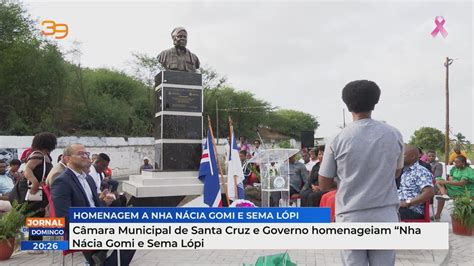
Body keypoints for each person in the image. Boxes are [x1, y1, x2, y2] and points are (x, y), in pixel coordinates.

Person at [318, 80, 404, 265]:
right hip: (385, 215)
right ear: (375, 101)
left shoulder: (337, 139)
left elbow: (324, 184)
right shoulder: (394, 134)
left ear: (347, 104)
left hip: (351, 217)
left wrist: (346, 181)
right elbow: (396, 173)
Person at [51, 144, 135, 265]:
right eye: (81, 154)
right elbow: (64, 216)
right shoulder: (62, 181)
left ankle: (99, 256)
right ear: (68, 158)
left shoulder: (88, 179)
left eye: (87, 154)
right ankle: (100, 257)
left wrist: (104, 206)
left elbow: (95, 205)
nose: (86, 156)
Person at [23, 132, 57, 252]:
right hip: (36, 192)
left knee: (38, 216)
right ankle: (33, 246)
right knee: (35, 216)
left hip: (41, 192)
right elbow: (27, 170)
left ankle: (36, 244)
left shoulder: (45, 156)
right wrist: (35, 183)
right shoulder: (37, 155)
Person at [398, 146, 435, 220]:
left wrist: (407, 202)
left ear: (412, 157)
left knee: (381, 215)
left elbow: (429, 192)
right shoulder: (406, 171)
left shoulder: (420, 171)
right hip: (401, 207)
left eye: (403, 155)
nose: (400, 157)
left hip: (412, 210)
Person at [434, 155, 474, 221]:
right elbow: (450, 177)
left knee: (440, 191)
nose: (455, 164)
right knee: (438, 179)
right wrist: (449, 181)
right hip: (454, 187)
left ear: (463, 163)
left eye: (457, 162)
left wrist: (446, 182)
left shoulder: (468, 171)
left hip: (464, 190)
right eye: (454, 162)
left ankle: (444, 196)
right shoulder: (455, 168)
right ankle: (444, 195)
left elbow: (461, 183)